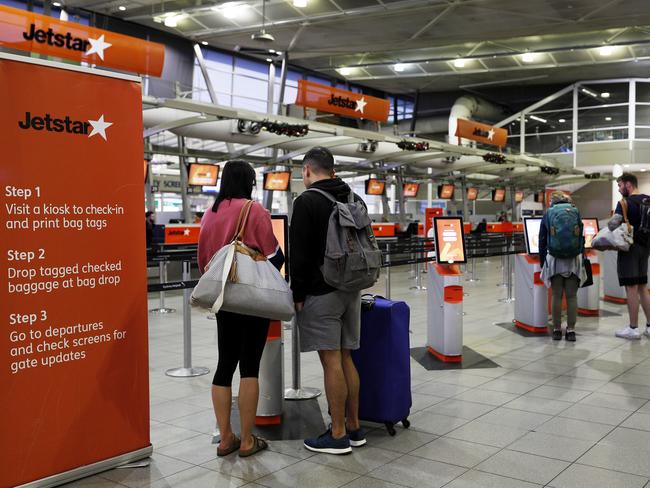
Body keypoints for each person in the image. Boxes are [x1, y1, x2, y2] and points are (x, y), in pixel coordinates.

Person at [198, 160, 284, 457]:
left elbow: (203, 262)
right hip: (252, 300)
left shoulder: (210, 213)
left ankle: (225, 438)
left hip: (225, 300)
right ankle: (247, 441)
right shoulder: (255, 210)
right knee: (249, 367)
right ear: (249, 183)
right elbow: (275, 256)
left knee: (224, 366)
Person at [290, 147, 365, 455]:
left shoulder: (306, 201)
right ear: (331, 170)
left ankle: (336, 435)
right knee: (347, 357)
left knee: (330, 360)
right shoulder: (352, 197)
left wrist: (297, 295)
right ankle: (353, 425)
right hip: (352, 287)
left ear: (308, 170)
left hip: (322, 291)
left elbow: (300, 254)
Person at [539, 192, 584, 341]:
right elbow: (581, 237)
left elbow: (542, 239)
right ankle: (571, 330)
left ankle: (557, 330)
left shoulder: (549, 214)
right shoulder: (575, 210)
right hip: (573, 259)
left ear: (552, 201)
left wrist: (542, 262)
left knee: (556, 295)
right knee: (571, 296)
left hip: (555, 259)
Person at [610, 173, 650, 339]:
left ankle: (633, 328)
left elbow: (613, 225)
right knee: (643, 288)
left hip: (630, 249)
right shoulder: (649, 200)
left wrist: (612, 219)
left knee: (631, 288)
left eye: (620, 186)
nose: (619, 189)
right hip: (646, 249)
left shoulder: (624, 203)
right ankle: (649, 327)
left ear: (628, 184)